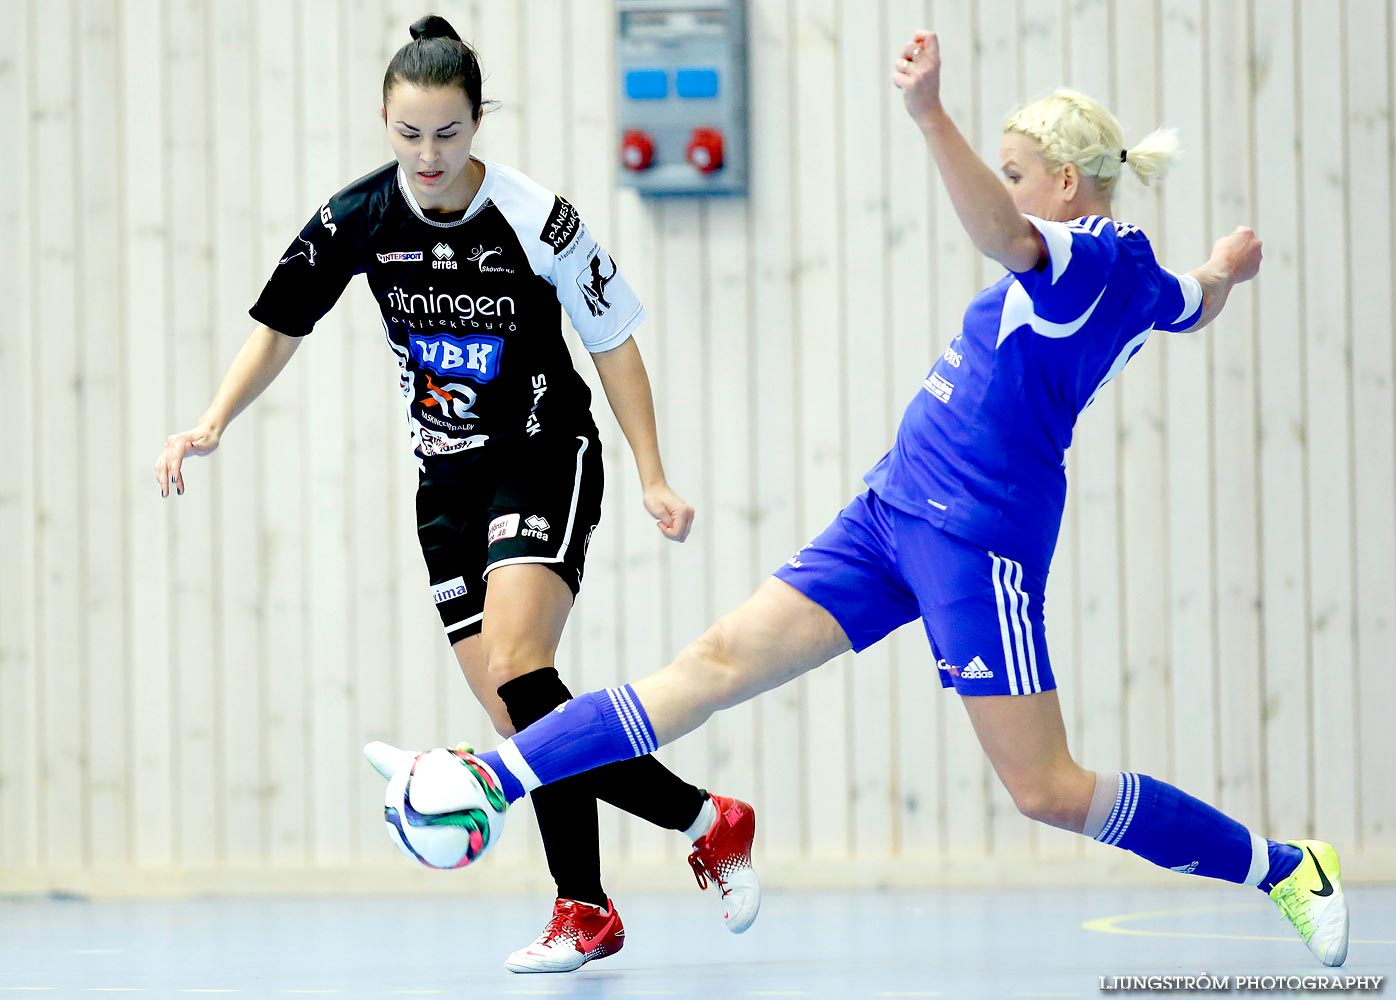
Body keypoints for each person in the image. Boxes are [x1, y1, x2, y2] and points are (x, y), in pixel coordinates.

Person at [373, 29, 1349, 969]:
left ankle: (1282, 868)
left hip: (978, 541)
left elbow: (1004, 232)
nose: (1008, 191)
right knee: (710, 664)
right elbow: (1193, 296)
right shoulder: (1136, 279)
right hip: (889, 512)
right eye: (1000, 169)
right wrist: (1225, 268)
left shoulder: (1086, 259)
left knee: (1045, 789)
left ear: (1064, 182)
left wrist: (930, 117)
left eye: (1017, 170)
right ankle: (492, 777)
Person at [155, 13, 759, 975]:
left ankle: (596, 897)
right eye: (407, 134)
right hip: (445, 483)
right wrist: (213, 419)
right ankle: (689, 829)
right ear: (384, 125)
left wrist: (651, 473)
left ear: (477, 122)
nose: (427, 155)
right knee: (524, 723)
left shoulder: (537, 216)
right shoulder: (357, 218)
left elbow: (614, 344)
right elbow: (279, 323)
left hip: (542, 451)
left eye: (446, 132)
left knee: (523, 663)